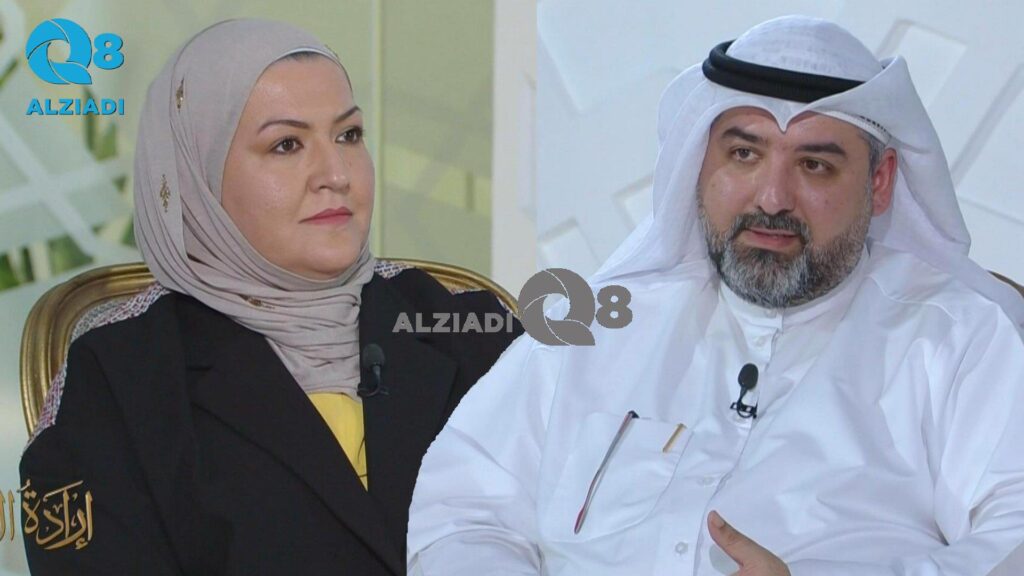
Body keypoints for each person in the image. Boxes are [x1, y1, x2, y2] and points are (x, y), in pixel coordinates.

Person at [407, 15, 1024, 576]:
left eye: (814, 165)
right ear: (698, 163)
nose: (772, 198)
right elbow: (463, 511)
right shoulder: (594, 328)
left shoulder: (960, 338)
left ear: (880, 181)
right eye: (744, 154)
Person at [19, 19, 520, 575]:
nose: (336, 174)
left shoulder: (468, 328)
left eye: (349, 135)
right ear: (199, 176)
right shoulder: (120, 378)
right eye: (287, 145)